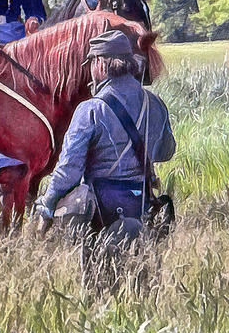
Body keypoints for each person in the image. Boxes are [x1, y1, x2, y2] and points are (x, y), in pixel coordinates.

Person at [34, 30, 175, 239]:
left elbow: (68, 170)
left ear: (100, 63)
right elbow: (166, 151)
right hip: (142, 205)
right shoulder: (155, 104)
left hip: (101, 215)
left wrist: (47, 204)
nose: (90, 71)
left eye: (91, 64)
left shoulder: (90, 109)